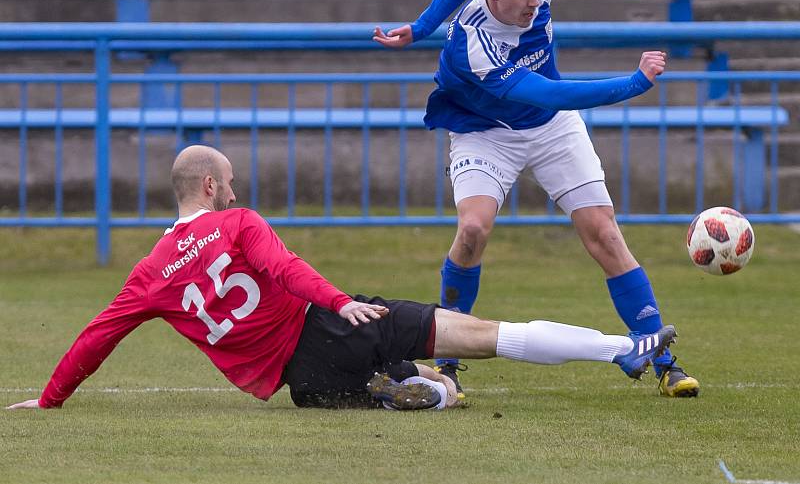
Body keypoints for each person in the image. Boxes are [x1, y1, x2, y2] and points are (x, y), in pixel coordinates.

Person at [7, 145, 677, 413]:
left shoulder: (148, 275)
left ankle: (415, 390)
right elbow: (283, 269)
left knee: (407, 383)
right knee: (481, 335)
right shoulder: (235, 221)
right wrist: (338, 300)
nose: (236, 188)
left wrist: (50, 398)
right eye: (231, 181)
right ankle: (624, 348)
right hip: (327, 322)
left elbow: (96, 336)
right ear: (211, 185)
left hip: (303, 380)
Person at [373, 0, 699, 400]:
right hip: (484, 131)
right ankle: (448, 357)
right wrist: (633, 83)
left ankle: (662, 359)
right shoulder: (476, 45)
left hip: (552, 128)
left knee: (604, 233)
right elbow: (551, 92)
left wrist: (420, 27)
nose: (534, 0)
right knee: (473, 231)